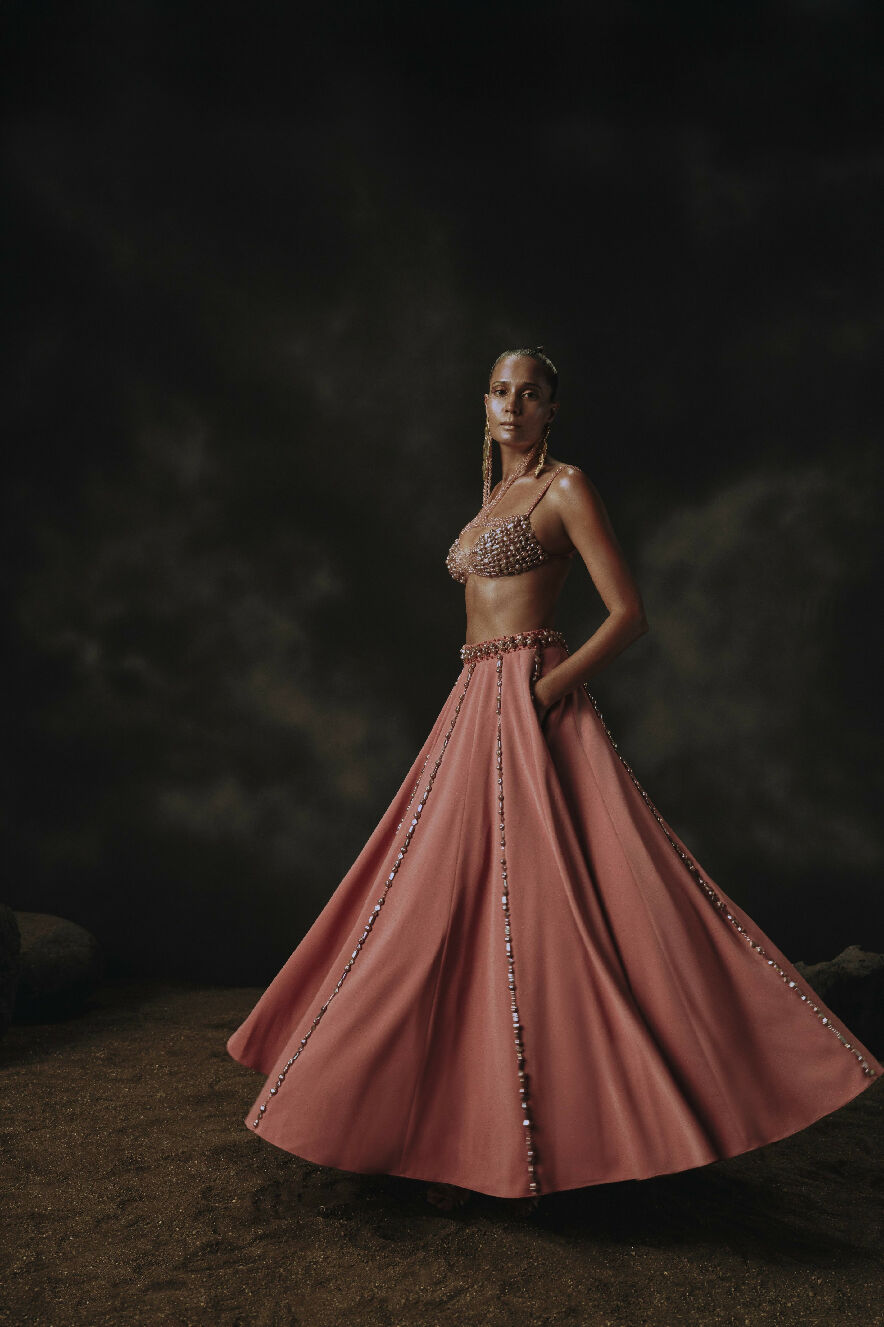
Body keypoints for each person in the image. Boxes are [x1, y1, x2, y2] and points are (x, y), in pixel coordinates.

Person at [227, 346, 880, 1217]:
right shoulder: (495, 498)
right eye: (500, 390)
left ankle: (627, 1106)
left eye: (529, 393)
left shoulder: (567, 489)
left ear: (552, 408)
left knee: (561, 898)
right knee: (431, 894)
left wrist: (542, 691)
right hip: (473, 697)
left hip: (530, 696)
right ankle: (432, 1109)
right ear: (486, 401)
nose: (512, 404)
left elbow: (629, 615)